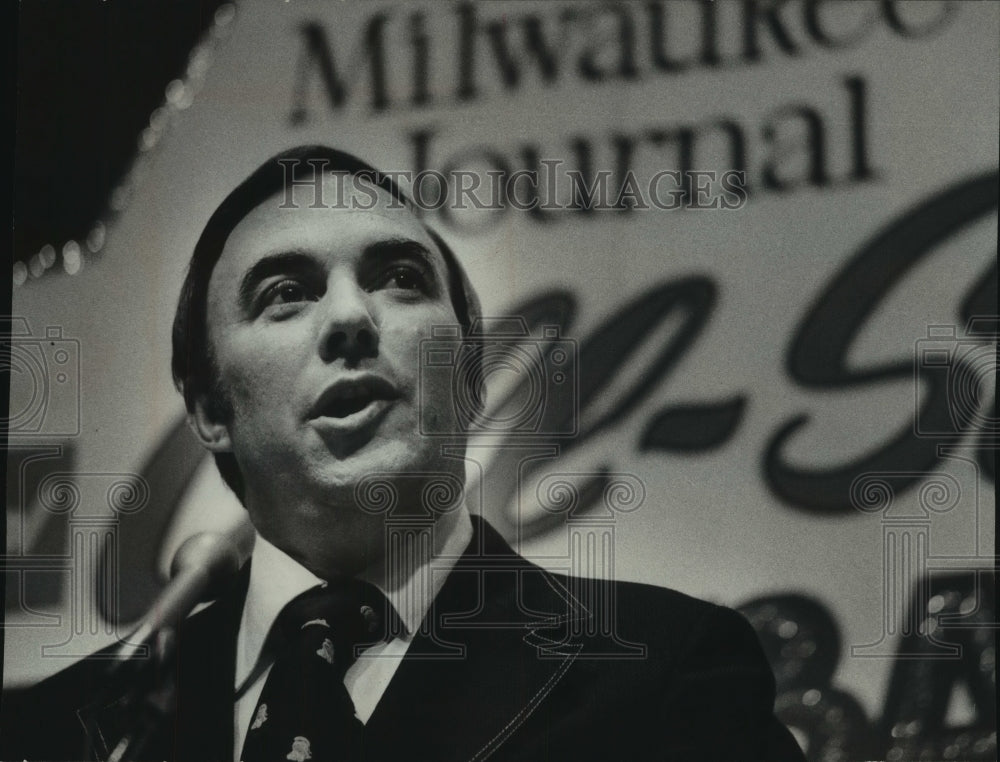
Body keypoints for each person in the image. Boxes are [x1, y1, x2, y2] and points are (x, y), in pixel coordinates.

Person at [0, 146, 805, 761]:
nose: (351, 317)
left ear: (468, 374)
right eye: (285, 293)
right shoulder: (59, 731)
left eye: (400, 279)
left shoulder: (667, 674)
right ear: (211, 408)